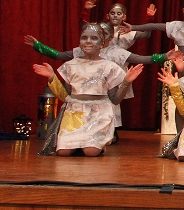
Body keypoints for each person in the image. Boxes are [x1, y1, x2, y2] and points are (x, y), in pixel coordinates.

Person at [24, 23, 174, 139]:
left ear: (108, 38)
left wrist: (163, 57)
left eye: (103, 34)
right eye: (86, 37)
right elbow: (59, 56)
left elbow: (142, 59)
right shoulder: (79, 53)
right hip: (78, 104)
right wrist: (39, 46)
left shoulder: (116, 52)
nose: (90, 41)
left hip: (106, 96)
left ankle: (106, 135)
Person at [32, 23, 142, 157]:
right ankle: (79, 144)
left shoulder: (109, 67)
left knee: (91, 152)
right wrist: (51, 77)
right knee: (63, 152)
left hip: (99, 113)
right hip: (75, 113)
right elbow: (65, 96)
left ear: (102, 43)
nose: (88, 41)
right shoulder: (70, 66)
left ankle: (94, 145)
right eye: (84, 38)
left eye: (94, 38)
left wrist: (127, 82)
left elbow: (115, 99)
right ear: (79, 42)